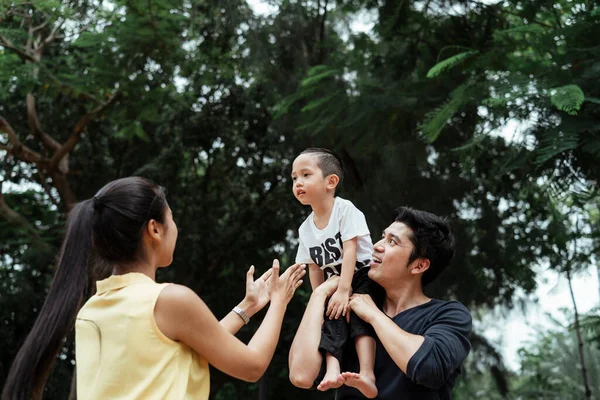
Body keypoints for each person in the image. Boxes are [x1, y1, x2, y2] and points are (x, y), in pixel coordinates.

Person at [2, 176, 306, 400]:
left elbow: (187, 347)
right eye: (172, 219)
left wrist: (247, 308)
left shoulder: (92, 310)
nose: (177, 228)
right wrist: (279, 301)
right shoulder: (169, 300)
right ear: (154, 229)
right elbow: (251, 367)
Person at [289, 207, 472, 400]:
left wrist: (373, 315)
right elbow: (301, 375)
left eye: (392, 241)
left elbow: (429, 367)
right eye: (383, 237)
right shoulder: (349, 308)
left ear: (419, 265)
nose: (376, 245)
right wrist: (319, 293)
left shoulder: (449, 315)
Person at [291, 148, 382, 398]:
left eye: (306, 175)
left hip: (362, 273)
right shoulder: (305, 229)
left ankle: (367, 373)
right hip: (334, 284)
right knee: (331, 319)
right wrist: (318, 304)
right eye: (294, 178)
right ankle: (333, 368)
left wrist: (344, 289)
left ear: (331, 182)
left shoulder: (344, 209)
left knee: (358, 311)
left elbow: (351, 248)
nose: (298, 182)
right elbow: (313, 267)